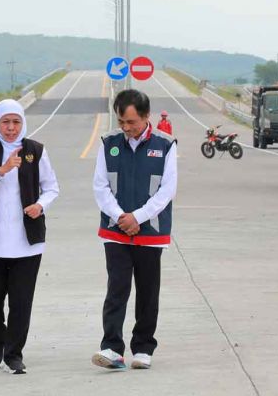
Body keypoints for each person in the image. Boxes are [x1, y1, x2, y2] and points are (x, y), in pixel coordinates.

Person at [0, 99, 59, 374]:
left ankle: (14, 352)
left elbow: (52, 187)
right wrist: (1, 170)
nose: (10, 128)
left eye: (16, 122)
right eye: (5, 122)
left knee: (21, 301)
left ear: (23, 123)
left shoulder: (35, 151)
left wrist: (40, 205)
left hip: (26, 242)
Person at [91, 89, 177, 370]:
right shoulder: (109, 144)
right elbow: (100, 186)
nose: (126, 128)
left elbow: (167, 190)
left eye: (131, 122)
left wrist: (138, 217)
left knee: (148, 291)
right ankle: (112, 348)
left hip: (151, 233)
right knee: (117, 289)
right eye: (121, 122)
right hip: (116, 231)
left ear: (146, 117)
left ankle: (143, 347)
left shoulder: (165, 144)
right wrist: (120, 216)